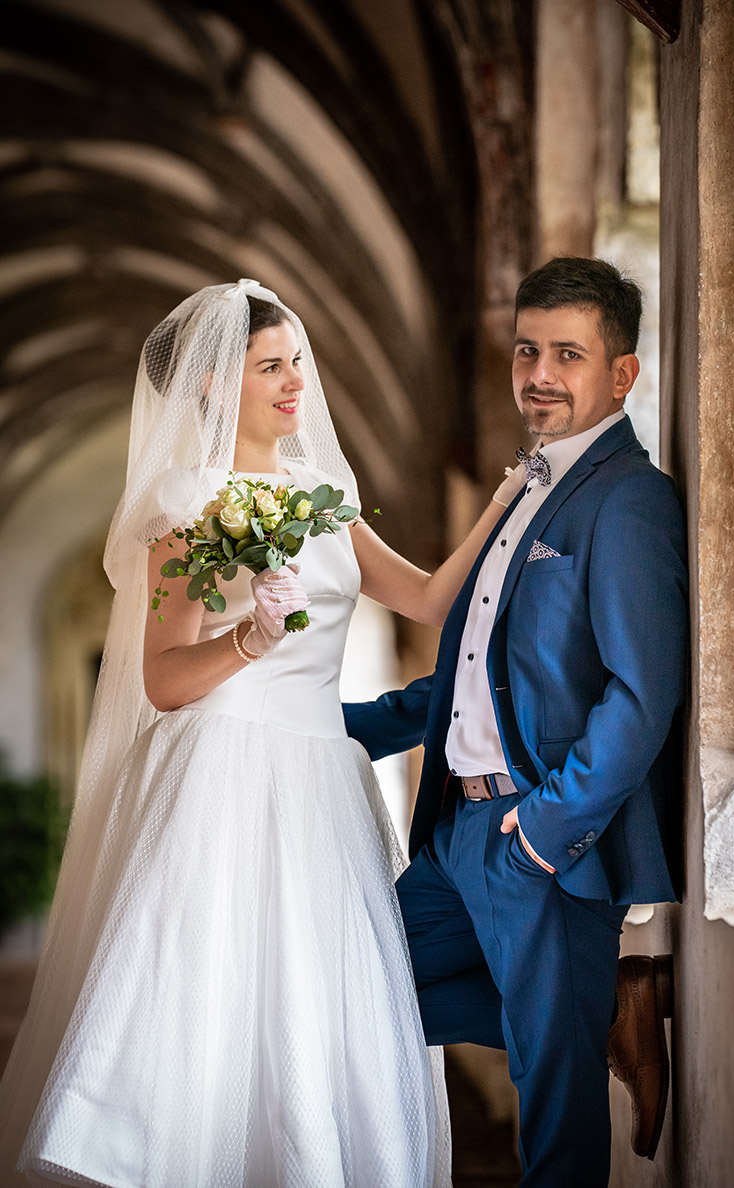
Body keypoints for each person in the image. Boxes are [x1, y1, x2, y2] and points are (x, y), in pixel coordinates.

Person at [0, 279, 511, 1188]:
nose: (294, 384)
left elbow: (434, 598)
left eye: (297, 364)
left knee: (322, 1006)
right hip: (221, 777)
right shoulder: (185, 507)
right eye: (271, 367)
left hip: (321, 784)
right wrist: (249, 637)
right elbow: (163, 681)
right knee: (212, 1003)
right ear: (212, 387)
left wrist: (510, 506)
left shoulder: (327, 502)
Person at [345, 257, 689, 1187]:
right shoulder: (527, 488)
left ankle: (590, 1022)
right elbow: (472, 675)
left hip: (538, 845)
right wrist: (336, 729)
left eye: (567, 354)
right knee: (356, 995)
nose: (540, 372)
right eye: (528, 349)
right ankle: (612, 1012)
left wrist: (545, 830)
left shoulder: (628, 501)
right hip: (458, 833)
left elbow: (642, 696)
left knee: (554, 1114)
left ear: (622, 373)